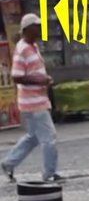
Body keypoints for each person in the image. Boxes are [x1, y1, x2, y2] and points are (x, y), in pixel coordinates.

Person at [1, 13, 61, 182]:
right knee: (49, 137)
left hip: (36, 99)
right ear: (28, 29)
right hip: (33, 103)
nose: (41, 29)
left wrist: (44, 79)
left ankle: (8, 163)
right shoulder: (22, 49)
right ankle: (49, 173)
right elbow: (17, 76)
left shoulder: (33, 46)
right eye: (38, 26)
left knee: (33, 137)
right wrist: (39, 80)